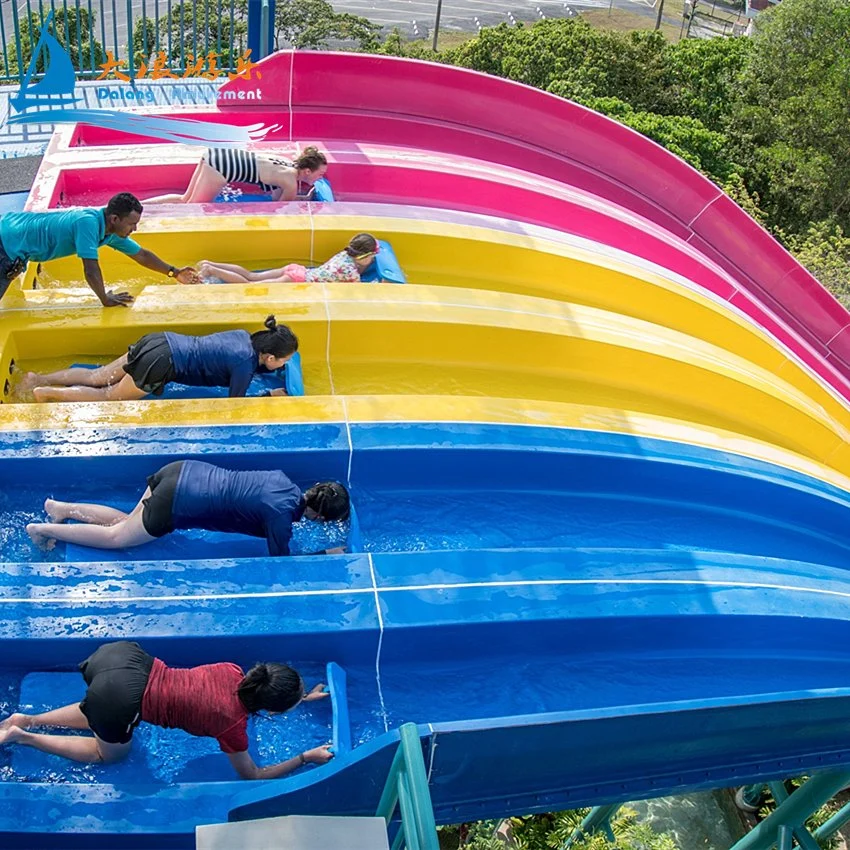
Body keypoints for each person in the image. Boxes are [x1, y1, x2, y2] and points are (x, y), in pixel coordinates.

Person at [0, 640, 334, 779]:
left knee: (100, 706)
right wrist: (305, 758)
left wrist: (299, 696)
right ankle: (23, 736)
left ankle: (25, 718)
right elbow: (252, 776)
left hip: (124, 659)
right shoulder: (231, 725)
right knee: (111, 755)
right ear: (272, 711)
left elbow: (256, 690)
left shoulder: (232, 670)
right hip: (121, 699)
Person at [25, 460, 350, 557]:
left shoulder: (282, 477)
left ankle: (61, 507)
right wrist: (325, 555)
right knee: (117, 538)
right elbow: (283, 563)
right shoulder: (281, 517)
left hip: (180, 471)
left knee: (128, 520)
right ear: (320, 517)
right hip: (178, 502)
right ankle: (43, 529)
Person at [21, 315, 298, 403]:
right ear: (270, 356)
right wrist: (268, 396)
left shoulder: (243, 336)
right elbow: (235, 406)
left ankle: (39, 377)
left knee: (97, 375)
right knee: (109, 396)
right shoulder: (244, 365)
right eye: (283, 361)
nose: (284, 365)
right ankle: (46, 393)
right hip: (162, 362)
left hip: (160, 340)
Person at [0, 192, 197, 307]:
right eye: (132, 224)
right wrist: (105, 298)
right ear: (115, 219)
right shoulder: (88, 224)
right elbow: (90, 269)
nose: (134, 229)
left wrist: (175, 272)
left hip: (9, 231)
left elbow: (142, 255)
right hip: (5, 244)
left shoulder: (109, 232)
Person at [142, 146, 328, 204]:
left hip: (215, 154)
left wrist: (303, 197)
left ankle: (140, 205)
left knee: (184, 200)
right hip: (222, 167)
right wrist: (302, 199)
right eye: (320, 175)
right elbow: (279, 208)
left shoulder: (286, 163)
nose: (321, 178)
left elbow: (276, 196)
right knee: (192, 209)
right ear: (307, 171)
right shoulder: (290, 182)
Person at [199, 233, 380, 285]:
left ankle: (210, 264)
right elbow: (359, 290)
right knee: (250, 286)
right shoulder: (351, 273)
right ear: (364, 256)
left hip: (296, 270)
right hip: (296, 279)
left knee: (252, 276)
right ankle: (213, 270)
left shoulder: (344, 255)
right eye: (372, 257)